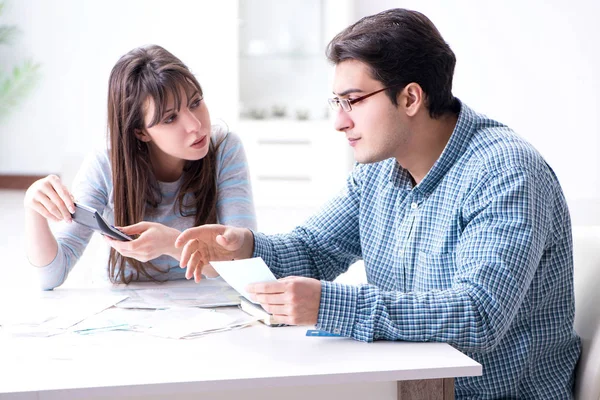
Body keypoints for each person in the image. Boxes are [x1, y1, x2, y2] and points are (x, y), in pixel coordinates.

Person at [174, 9, 580, 399]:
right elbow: (313, 250)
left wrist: (330, 304)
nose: (339, 121)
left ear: (410, 99)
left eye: (354, 100)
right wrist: (244, 245)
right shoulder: (379, 172)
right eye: (337, 102)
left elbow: (477, 315)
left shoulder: (505, 172)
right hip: (404, 386)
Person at [24, 45, 256, 289]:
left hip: (204, 308)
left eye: (195, 102)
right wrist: (33, 209)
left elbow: (244, 263)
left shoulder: (224, 149)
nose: (195, 125)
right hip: (123, 307)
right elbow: (50, 276)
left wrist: (172, 243)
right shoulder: (107, 165)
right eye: (170, 118)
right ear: (140, 132)